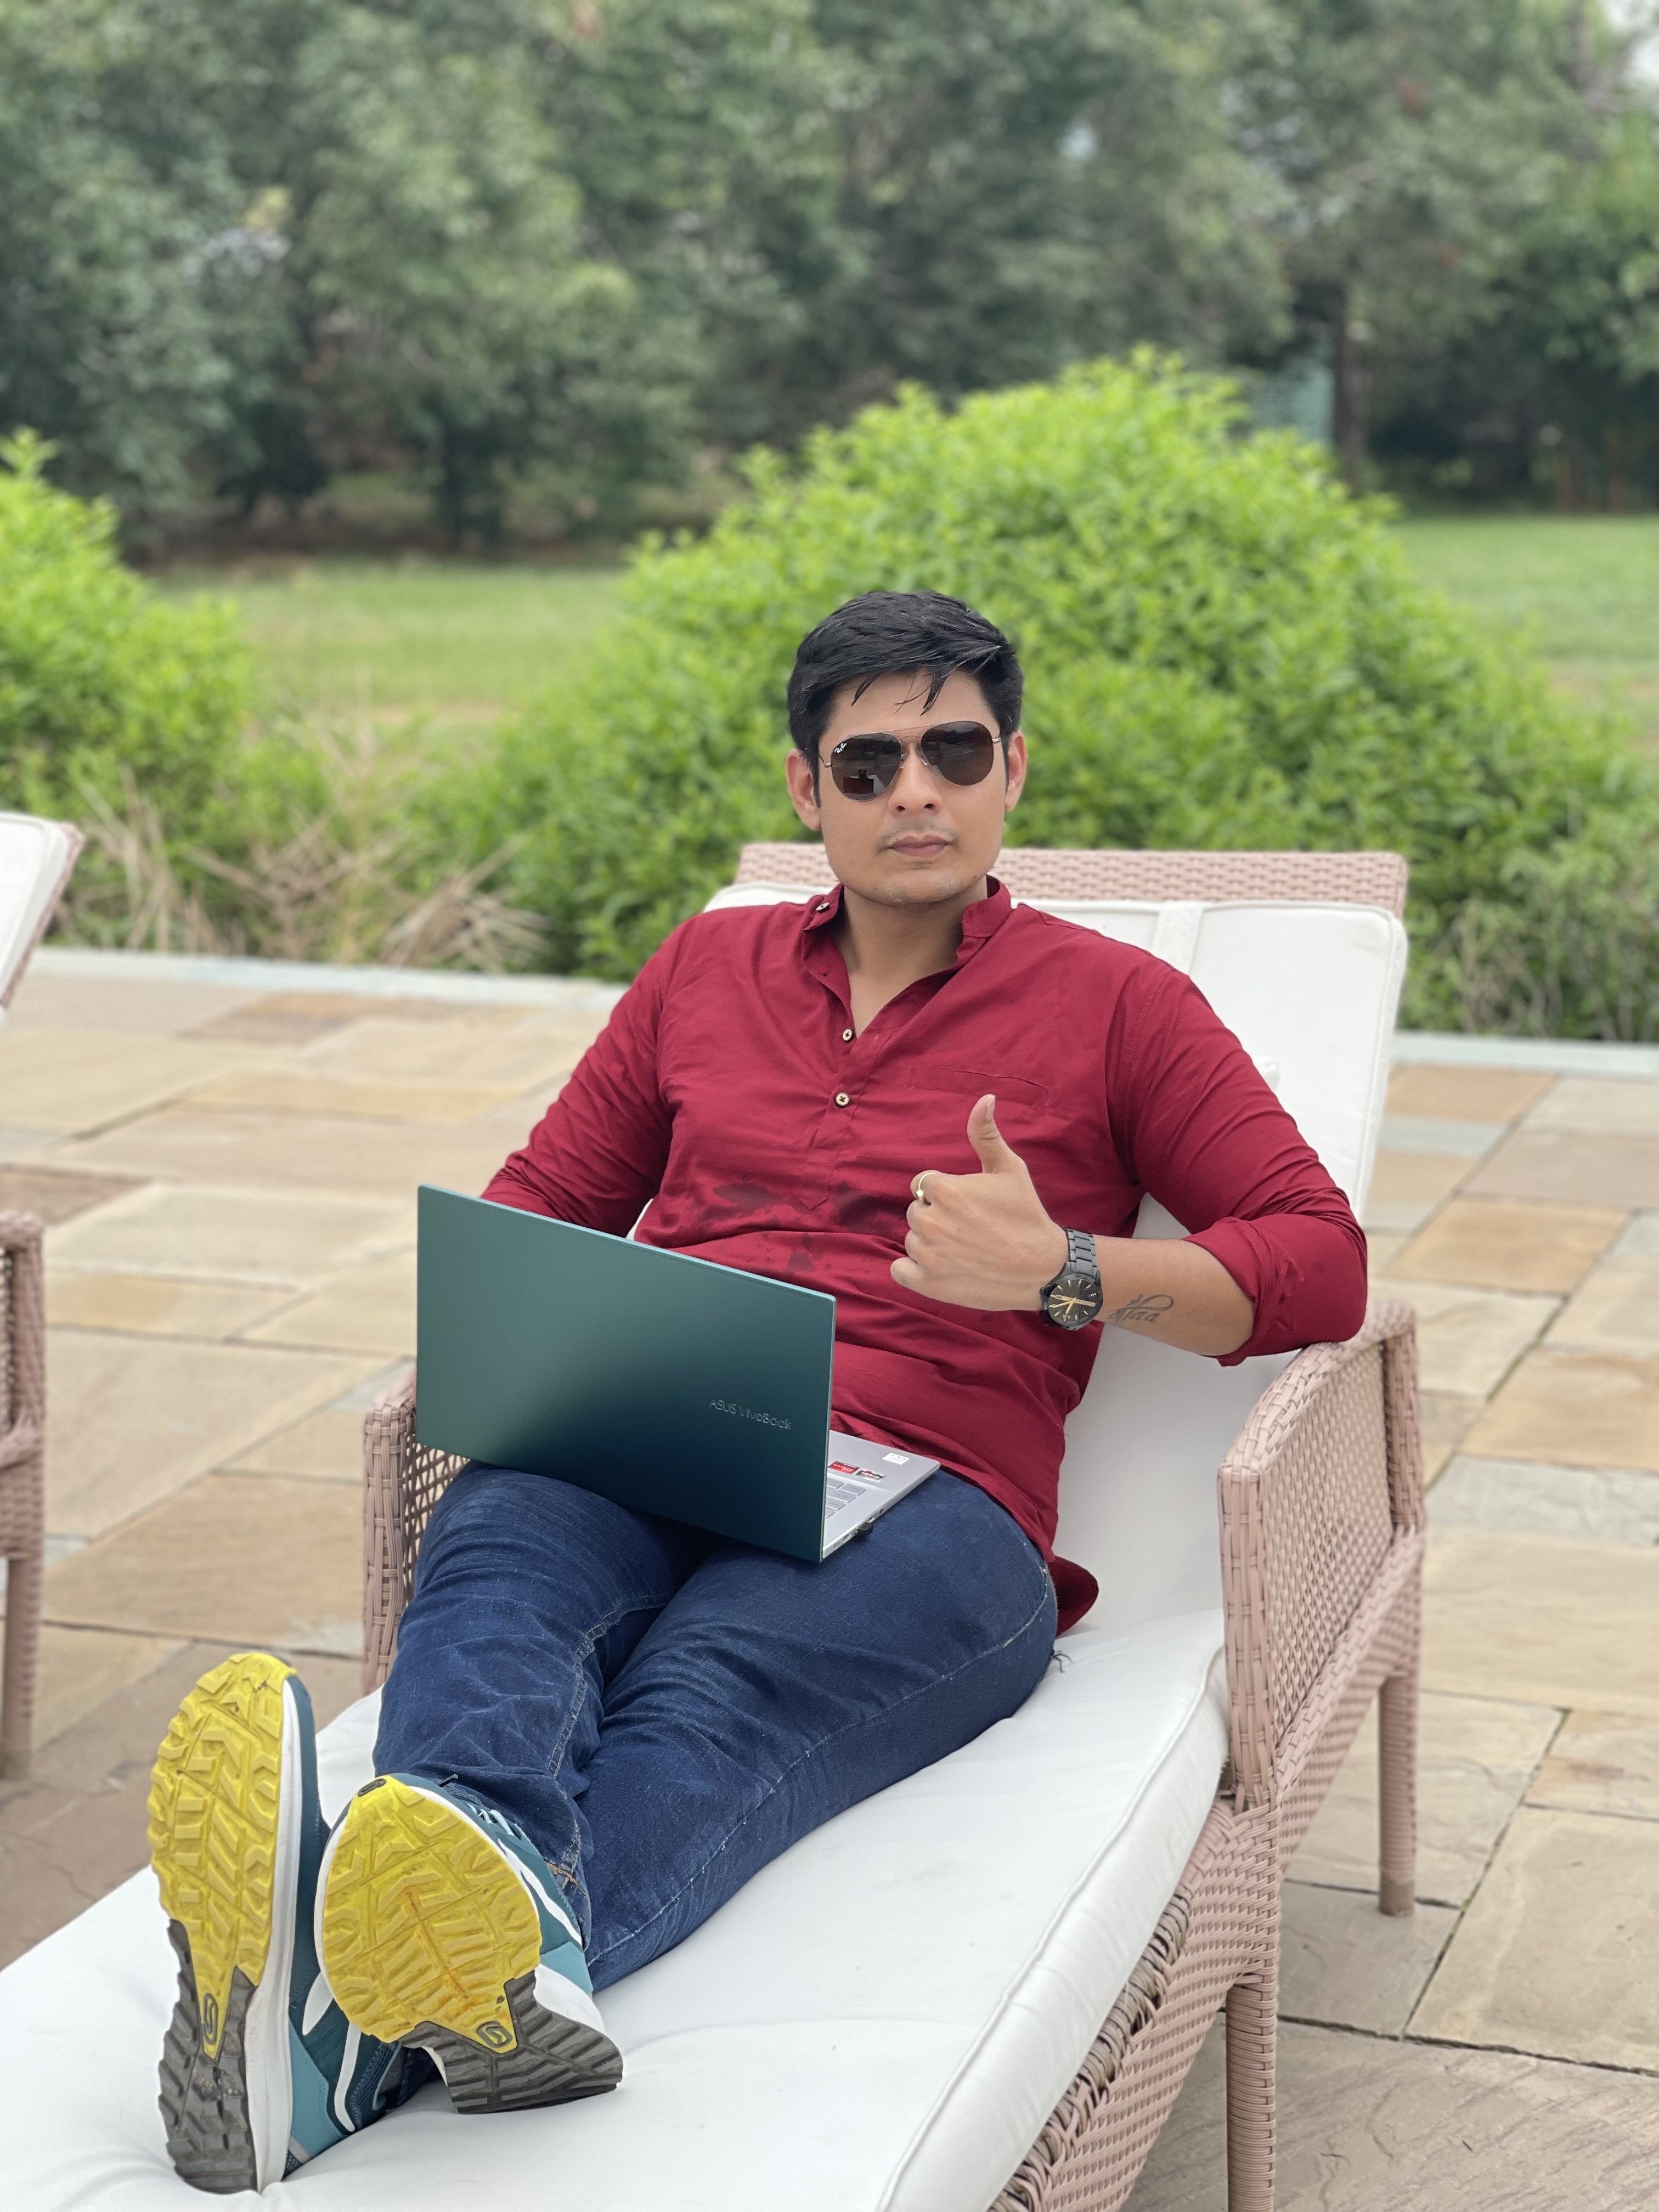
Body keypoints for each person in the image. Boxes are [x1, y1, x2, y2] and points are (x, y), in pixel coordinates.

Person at [146, 590, 1367, 2190]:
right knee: (501, 1575)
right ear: (808, 791)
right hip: (655, 1421)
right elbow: (543, 1206)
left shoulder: (1120, 1006)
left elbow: (1320, 1263)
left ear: (1013, 772)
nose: (915, 792)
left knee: (702, 1695)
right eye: (869, 765)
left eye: (955, 753)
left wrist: (1063, 1269)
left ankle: (316, 2004)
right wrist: (530, 1338)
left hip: (933, 1500)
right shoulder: (705, 969)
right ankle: (412, 1959)